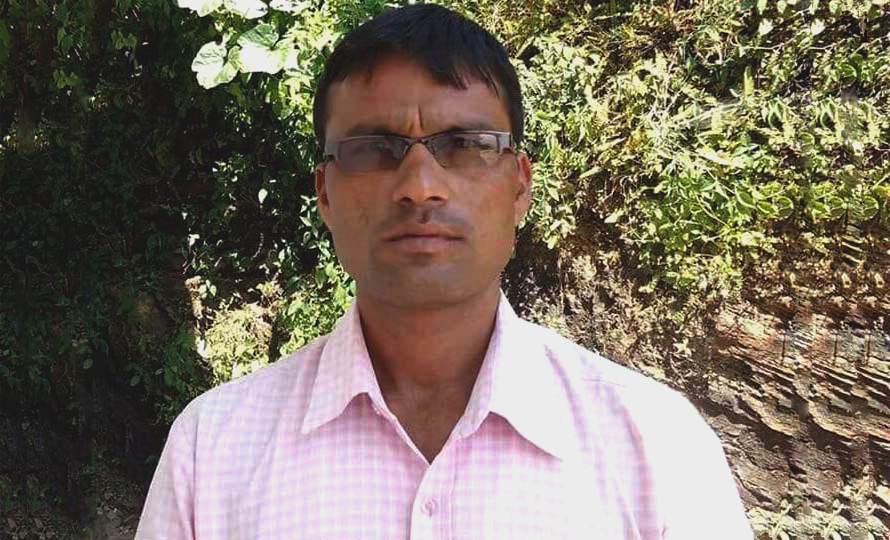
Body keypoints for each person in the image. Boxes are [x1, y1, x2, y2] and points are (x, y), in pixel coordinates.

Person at [136, 4, 752, 539]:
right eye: (374, 149)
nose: (420, 186)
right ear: (324, 193)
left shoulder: (657, 450)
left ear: (519, 187)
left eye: (464, 145)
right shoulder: (211, 454)